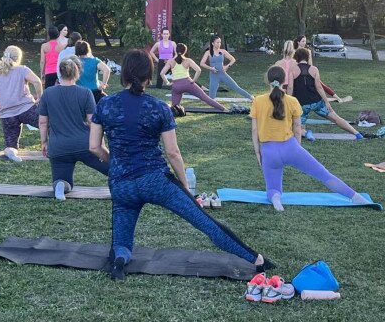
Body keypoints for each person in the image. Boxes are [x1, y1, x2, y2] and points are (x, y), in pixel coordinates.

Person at [89, 49, 271, 280]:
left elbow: (94, 147)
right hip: (156, 181)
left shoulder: (105, 105)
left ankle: (120, 258)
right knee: (204, 221)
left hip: (122, 184)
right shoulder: (158, 107)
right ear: (148, 76)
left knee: (121, 240)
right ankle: (256, 259)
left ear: (123, 74)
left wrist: (115, 163)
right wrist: (185, 186)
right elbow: (173, 152)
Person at [251, 66, 370, 211]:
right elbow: (297, 128)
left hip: (268, 150)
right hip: (290, 147)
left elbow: (255, 130)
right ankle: (355, 197)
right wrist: (297, 148)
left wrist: (258, 153)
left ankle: (276, 199)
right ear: (284, 81)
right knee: (323, 174)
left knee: (273, 188)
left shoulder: (258, 101)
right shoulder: (292, 101)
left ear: (267, 80)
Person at [39, 56, 109, 200]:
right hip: (84, 144)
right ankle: (123, 184)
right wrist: (101, 144)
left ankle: (60, 186)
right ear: (77, 73)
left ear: (60, 73)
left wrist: (44, 143)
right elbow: (92, 122)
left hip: (58, 147)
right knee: (112, 168)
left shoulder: (48, 93)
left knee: (63, 181)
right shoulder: (85, 93)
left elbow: (43, 122)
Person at [0, 46, 43, 162]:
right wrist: (40, 97)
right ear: (18, 58)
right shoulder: (22, 69)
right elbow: (37, 81)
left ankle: (12, 153)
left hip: (7, 115)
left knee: (10, 145)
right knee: (50, 127)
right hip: (27, 109)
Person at [291, 48, 361, 141]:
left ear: (296, 57)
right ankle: (357, 134)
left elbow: (290, 88)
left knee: (297, 127)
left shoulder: (293, 70)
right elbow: (319, 87)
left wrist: (289, 102)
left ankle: (307, 133)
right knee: (336, 118)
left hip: (302, 105)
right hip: (317, 102)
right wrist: (327, 102)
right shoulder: (314, 69)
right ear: (307, 57)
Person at [160, 43, 225, 111]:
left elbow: (162, 73)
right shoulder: (188, 60)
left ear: (175, 51)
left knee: (174, 107)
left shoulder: (170, 61)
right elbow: (198, 70)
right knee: (205, 98)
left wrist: (167, 82)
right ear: (185, 51)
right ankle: (223, 109)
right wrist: (193, 80)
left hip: (176, 85)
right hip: (188, 83)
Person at [199, 35, 253, 101]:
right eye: (217, 42)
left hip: (223, 74)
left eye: (220, 42)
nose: (219, 44)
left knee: (236, 87)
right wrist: (211, 68)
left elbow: (233, 59)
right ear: (213, 43)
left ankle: (250, 97)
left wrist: (227, 66)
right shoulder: (208, 52)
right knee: (211, 97)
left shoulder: (223, 51)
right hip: (214, 75)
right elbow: (202, 63)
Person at [294, 35, 342, 102]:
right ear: (298, 42)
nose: (304, 42)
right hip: (297, 71)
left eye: (305, 41)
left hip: (306, 70)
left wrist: (310, 72)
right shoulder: (294, 51)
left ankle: (337, 97)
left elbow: (310, 64)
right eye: (303, 41)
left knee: (320, 84)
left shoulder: (308, 51)